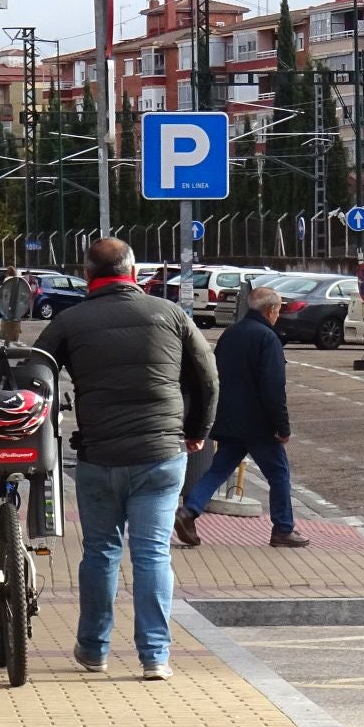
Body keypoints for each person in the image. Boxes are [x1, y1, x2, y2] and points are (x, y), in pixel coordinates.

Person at [38, 238, 218, 680]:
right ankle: (155, 657)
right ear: (133, 270)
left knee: (100, 552)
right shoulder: (170, 315)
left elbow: (34, 371)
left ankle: (94, 649)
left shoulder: (70, 321)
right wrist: (196, 432)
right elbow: (208, 377)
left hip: (98, 456)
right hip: (160, 455)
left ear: (88, 275)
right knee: (153, 554)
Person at [174, 285, 309, 549]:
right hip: (259, 425)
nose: (278, 316)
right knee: (279, 474)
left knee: (219, 469)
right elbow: (273, 388)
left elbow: (212, 375)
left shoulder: (230, 334)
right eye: (278, 310)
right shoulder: (267, 339)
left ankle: (188, 512)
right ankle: (283, 529)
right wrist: (282, 427)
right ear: (271, 310)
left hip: (229, 419)